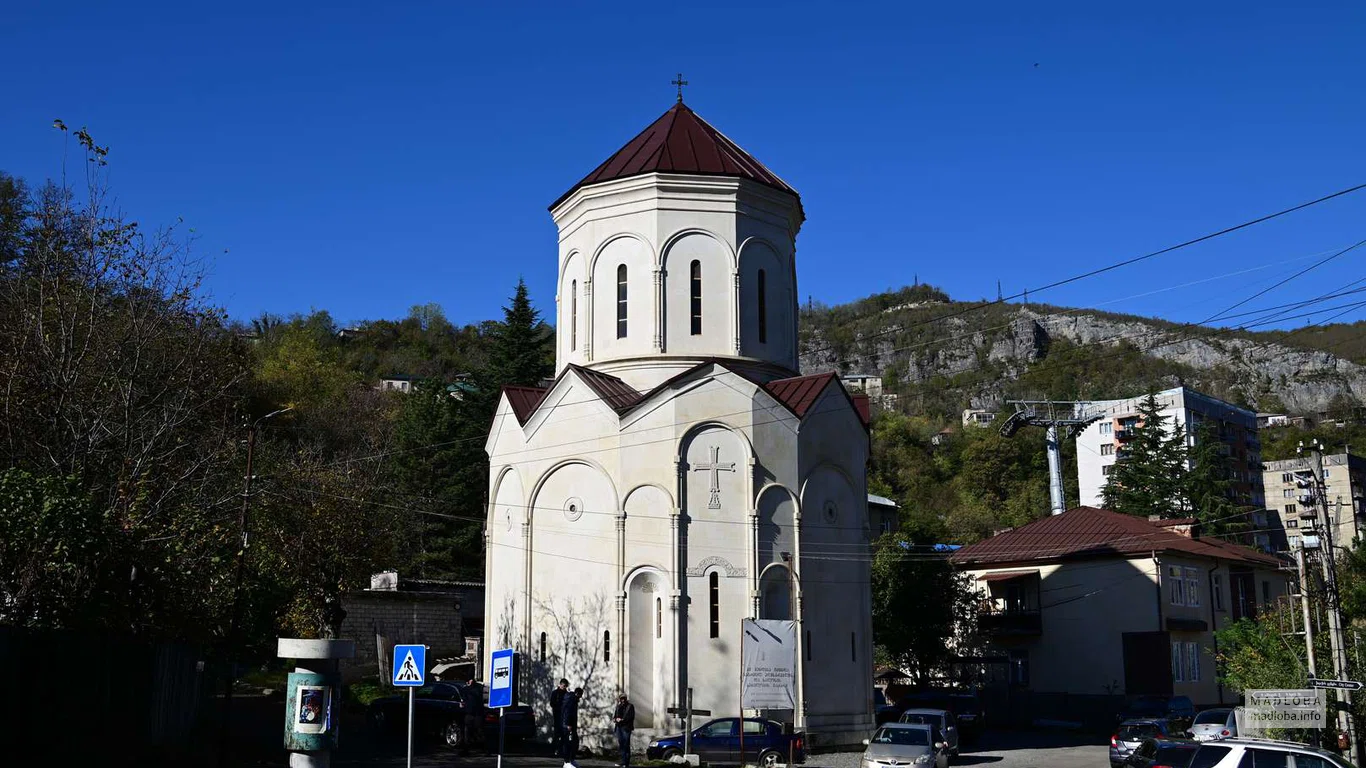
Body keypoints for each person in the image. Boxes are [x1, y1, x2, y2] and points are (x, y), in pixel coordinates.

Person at [613, 693, 636, 768]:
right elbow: (615, 716)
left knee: (626, 745)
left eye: (624, 698)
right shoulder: (618, 706)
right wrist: (615, 719)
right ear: (619, 699)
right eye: (621, 698)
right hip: (619, 728)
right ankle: (623, 762)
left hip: (626, 728)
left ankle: (626, 763)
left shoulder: (630, 706)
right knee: (621, 745)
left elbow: (631, 717)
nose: (623, 700)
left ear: (626, 699)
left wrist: (622, 720)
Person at [560, 686, 581, 767]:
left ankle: (571, 760)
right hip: (568, 725)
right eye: (580, 695)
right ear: (577, 693)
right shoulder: (571, 700)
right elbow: (567, 713)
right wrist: (568, 724)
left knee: (574, 742)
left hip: (571, 725)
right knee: (568, 743)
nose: (580, 697)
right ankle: (567, 761)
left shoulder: (573, 699)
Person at [463, 678, 486, 754]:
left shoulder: (478, 688)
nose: (471, 681)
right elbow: (464, 700)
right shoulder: (466, 689)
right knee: (467, 733)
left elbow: (477, 695)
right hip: (469, 714)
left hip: (477, 714)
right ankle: (466, 750)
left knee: (480, 732)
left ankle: (484, 749)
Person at [550, 678, 569, 752]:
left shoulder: (566, 694)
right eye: (564, 686)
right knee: (557, 732)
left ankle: (561, 749)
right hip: (557, 715)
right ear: (560, 685)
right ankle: (555, 748)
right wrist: (558, 708)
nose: (565, 687)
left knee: (563, 733)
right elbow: (552, 703)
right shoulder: (555, 693)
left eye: (566, 686)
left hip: (564, 716)